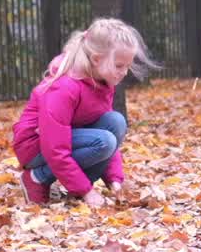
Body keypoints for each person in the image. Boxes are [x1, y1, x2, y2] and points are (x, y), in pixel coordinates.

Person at [12, 18, 155, 206]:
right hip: (34, 146)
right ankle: (37, 177)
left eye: (127, 66)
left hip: (67, 137)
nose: (125, 72)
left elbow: (106, 136)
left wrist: (115, 181)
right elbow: (55, 147)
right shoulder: (65, 87)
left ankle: (77, 188)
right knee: (104, 142)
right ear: (96, 59)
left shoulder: (102, 82)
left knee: (116, 122)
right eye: (119, 65)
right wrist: (87, 192)